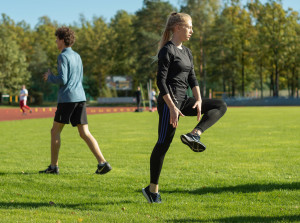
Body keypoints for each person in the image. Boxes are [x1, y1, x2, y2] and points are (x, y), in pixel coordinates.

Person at [142, 12, 227, 203]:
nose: (192, 31)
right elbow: (160, 82)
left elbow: (192, 78)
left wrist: (197, 99)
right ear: (178, 28)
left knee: (220, 105)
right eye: (189, 27)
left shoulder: (187, 52)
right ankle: (152, 190)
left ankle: (195, 134)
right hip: (169, 104)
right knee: (163, 144)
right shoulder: (167, 50)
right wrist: (171, 107)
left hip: (185, 100)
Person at [40, 26, 111, 175]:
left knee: (55, 131)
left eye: (56, 39)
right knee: (84, 132)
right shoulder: (77, 56)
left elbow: (63, 79)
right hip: (80, 97)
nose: (55, 41)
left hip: (68, 99)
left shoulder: (62, 56)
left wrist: (49, 78)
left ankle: (53, 167)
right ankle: (103, 163)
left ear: (62, 40)